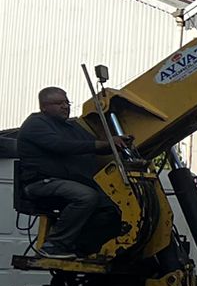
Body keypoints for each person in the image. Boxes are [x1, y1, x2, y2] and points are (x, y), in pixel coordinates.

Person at [16, 87, 119, 259]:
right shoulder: (36, 124)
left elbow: (92, 145)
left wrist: (116, 144)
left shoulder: (71, 126)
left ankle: (83, 248)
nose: (65, 106)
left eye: (67, 102)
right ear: (43, 106)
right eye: (59, 103)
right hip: (42, 182)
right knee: (86, 197)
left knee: (113, 207)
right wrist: (104, 144)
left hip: (67, 182)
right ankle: (54, 245)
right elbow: (61, 145)